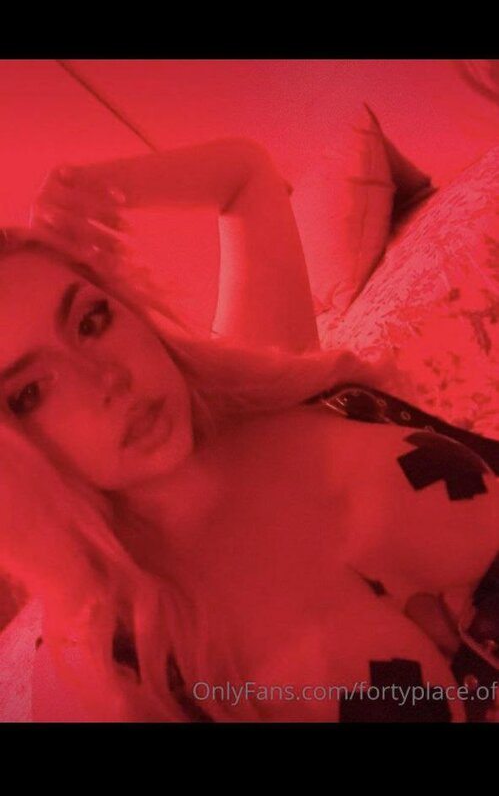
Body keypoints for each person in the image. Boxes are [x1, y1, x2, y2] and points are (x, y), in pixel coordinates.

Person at [1, 137, 498, 722]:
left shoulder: (254, 388)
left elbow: (245, 179)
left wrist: (96, 190)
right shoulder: (116, 675)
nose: (107, 378)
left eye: (91, 320)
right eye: (31, 392)